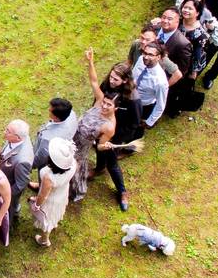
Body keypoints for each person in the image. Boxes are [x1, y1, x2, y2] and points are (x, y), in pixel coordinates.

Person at [70, 49, 119, 206]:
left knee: (73, 170)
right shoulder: (99, 101)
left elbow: (99, 146)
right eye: (104, 102)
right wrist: (90, 62)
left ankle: (75, 190)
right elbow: (94, 81)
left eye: (108, 105)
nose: (104, 105)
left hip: (81, 147)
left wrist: (106, 145)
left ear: (116, 108)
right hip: (72, 135)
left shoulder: (109, 127)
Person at [29, 136, 76, 246]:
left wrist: (36, 205)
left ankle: (44, 240)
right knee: (55, 214)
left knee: (47, 220)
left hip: (51, 200)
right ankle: (53, 224)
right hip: (62, 193)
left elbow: (43, 196)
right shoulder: (73, 164)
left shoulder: (48, 176)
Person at [166, 0, 210, 116]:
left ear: (198, 13)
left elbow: (198, 56)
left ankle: (174, 108)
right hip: (168, 61)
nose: (186, 10)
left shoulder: (201, 35)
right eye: (185, 7)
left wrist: (192, 74)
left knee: (177, 91)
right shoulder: (177, 23)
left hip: (184, 69)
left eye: (190, 8)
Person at [98, 61, 143, 146]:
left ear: (125, 80)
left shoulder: (133, 100)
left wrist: (116, 136)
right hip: (103, 121)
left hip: (118, 130)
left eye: (115, 79)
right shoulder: (106, 84)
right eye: (111, 77)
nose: (111, 81)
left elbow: (133, 123)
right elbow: (98, 100)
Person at [31, 97, 79, 175]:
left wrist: (31, 165)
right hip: (64, 147)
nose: (48, 110)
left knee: (44, 174)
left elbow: (41, 157)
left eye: (50, 110)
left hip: (51, 160)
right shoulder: (71, 114)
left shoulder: (47, 139)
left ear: (56, 117)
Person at [0, 119, 33, 221]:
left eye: (8, 131)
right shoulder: (19, 139)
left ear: (18, 137)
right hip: (3, 178)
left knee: (9, 209)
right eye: (6, 129)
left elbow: (20, 184)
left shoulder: (22, 161)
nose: (4, 132)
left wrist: (5, 195)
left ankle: (7, 223)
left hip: (8, 189)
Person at [132, 41, 169, 129]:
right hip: (128, 96)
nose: (146, 57)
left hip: (142, 106)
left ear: (158, 57)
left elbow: (160, 105)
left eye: (150, 55)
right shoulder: (141, 59)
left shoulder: (160, 82)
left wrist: (149, 122)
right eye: (145, 53)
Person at [154, 7, 193, 77]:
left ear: (177, 22)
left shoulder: (182, 44)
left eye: (169, 19)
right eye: (163, 17)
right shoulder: (154, 28)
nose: (165, 21)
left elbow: (182, 70)